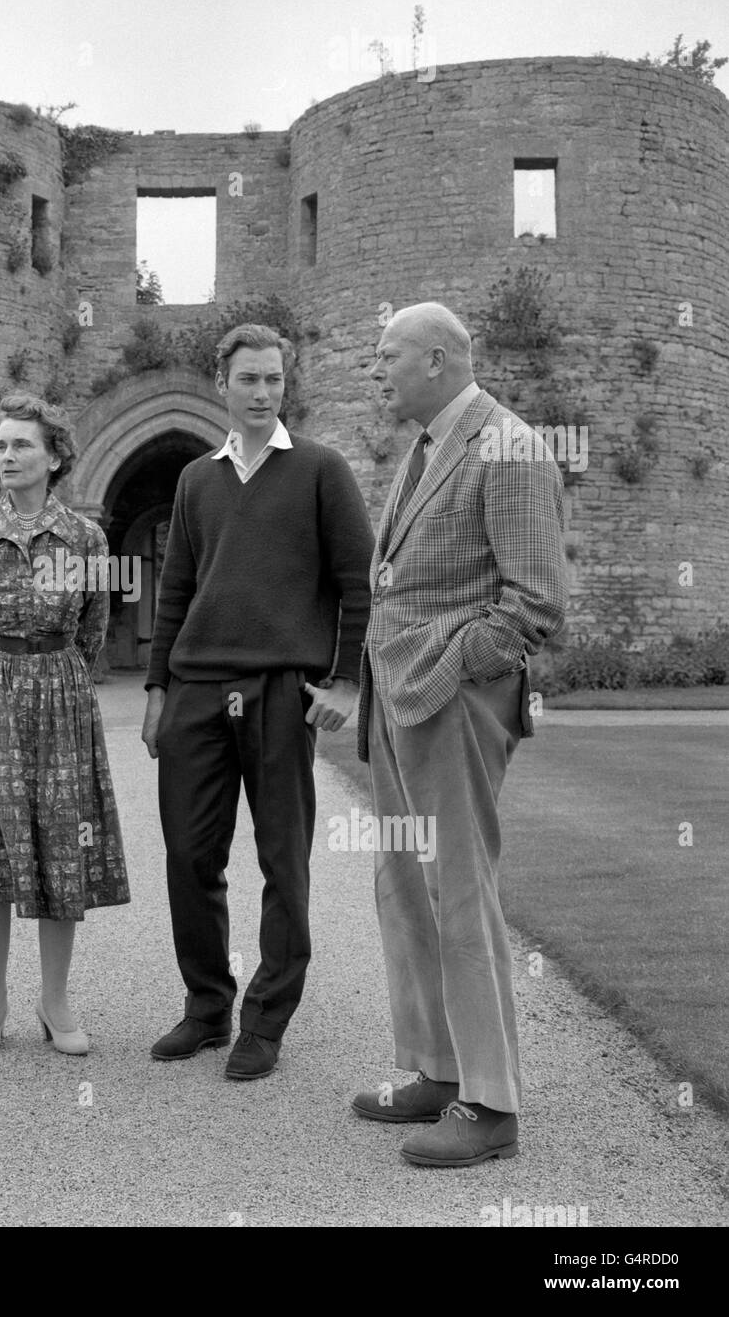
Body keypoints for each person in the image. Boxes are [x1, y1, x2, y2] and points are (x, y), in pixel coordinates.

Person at [353, 301, 567, 1166]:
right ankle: (436, 1072)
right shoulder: (428, 443)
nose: (377, 370)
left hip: (452, 704)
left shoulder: (509, 445)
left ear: (437, 359)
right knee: (403, 886)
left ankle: (490, 1104)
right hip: (397, 703)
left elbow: (533, 605)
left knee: (459, 890)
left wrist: (444, 669)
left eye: (389, 356)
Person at [142, 324, 374, 1080]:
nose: (262, 392)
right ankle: (206, 1008)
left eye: (273, 380)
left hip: (280, 691)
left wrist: (343, 680)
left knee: (283, 861)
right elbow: (173, 588)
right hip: (195, 691)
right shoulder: (195, 481)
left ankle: (265, 1021)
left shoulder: (319, 469)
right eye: (249, 379)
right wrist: (155, 687)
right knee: (188, 857)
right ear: (222, 383)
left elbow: (356, 584)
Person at [0, 394, 129, 1058]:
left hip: (61, 693)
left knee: (62, 846)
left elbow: (93, 630)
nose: (6, 456)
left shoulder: (85, 540)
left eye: (21, 445)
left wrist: (53, 679)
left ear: (53, 457)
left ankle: (54, 999)